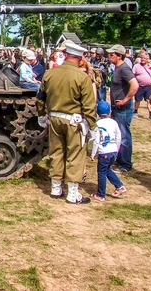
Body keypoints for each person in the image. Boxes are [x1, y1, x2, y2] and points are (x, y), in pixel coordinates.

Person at [37, 41, 97, 204]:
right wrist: (92, 125)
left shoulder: (50, 74)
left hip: (54, 118)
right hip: (74, 121)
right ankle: (72, 193)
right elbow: (89, 105)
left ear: (66, 55)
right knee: (75, 155)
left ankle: (56, 188)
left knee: (56, 152)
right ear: (80, 57)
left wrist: (42, 115)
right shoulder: (82, 77)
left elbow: (40, 98)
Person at [107, 44, 138, 173]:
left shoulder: (124, 69)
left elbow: (135, 85)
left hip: (123, 108)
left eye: (112, 54)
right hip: (117, 108)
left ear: (119, 56)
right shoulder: (118, 68)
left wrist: (125, 100)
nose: (109, 56)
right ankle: (119, 160)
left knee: (124, 136)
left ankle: (125, 164)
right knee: (118, 135)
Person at [90, 101, 126, 201]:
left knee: (101, 172)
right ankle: (119, 186)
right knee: (107, 170)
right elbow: (119, 137)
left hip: (104, 152)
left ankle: (101, 194)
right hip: (113, 151)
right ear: (110, 111)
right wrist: (117, 149)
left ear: (97, 113)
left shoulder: (97, 124)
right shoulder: (114, 122)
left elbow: (96, 141)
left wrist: (93, 154)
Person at [132, 51, 151, 116]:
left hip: (148, 86)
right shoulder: (136, 66)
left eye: (144, 58)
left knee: (149, 100)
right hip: (139, 86)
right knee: (137, 100)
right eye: (141, 58)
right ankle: (135, 111)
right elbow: (132, 75)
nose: (142, 59)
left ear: (147, 59)